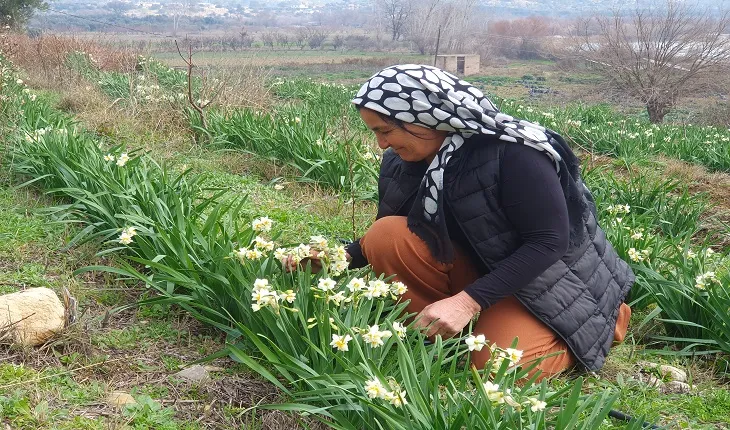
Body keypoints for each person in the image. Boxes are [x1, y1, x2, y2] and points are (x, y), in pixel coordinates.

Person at [288, 64, 633, 379]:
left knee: (497, 369)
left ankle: (602, 322)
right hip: (481, 273)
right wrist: (337, 258)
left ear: (423, 116)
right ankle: (460, 329)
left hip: (544, 281)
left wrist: (466, 302)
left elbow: (548, 243)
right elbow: (401, 231)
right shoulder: (404, 160)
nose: (381, 145)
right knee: (385, 235)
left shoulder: (514, 153)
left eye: (385, 130)